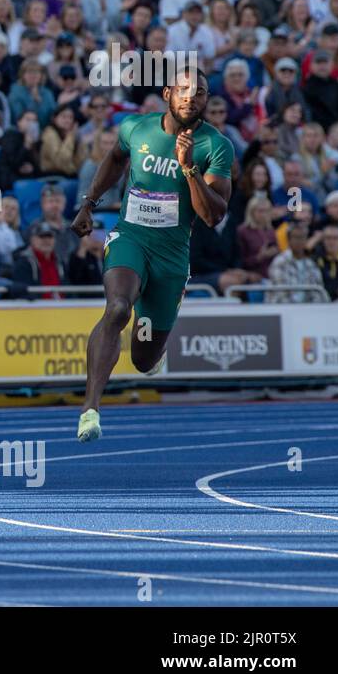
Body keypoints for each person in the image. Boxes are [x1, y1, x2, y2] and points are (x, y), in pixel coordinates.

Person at [71, 68, 233, 443]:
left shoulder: (216, 146)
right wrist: (89, 204)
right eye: (184, 90)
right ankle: (90, 410)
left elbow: (213, 215)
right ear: (167, 94)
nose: (191, 98)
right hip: (130, 236)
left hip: (172, 255)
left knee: (143, 361)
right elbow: (114, 159)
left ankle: (152, 351)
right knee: (116, 309)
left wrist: (189, 167)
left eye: (200, 93)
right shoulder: (135, 128)